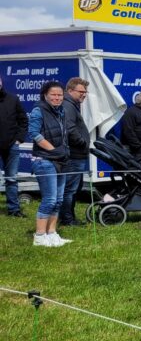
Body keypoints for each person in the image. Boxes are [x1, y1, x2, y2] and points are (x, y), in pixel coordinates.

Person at [29, 81, 72, 246]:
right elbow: (34, 133)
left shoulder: (61, 111)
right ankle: (40, 237)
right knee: (50, 199)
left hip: (60, 160)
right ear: (45, 95)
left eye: (60, 95)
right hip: (45, 160)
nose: (57, 98)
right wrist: (53, 150)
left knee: (59, 200)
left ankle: (52, 233)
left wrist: (62, 153)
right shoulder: (38, 110)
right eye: (53, 94)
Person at [59, 77, 90, 228]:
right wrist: (82, 142)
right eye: (81, 92)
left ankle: (69, 217)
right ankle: (67, 219)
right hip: (73, 155)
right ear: (70, 90)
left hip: (77, 154)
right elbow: (69, 129)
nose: (84, 94)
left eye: (86, 92)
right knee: (70, 189)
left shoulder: (72, 104)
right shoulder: (68, 105)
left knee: (74, 188)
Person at [0, 73, 28, 217]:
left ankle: (14, 210)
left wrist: (19, 139)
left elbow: (23, 121)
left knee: (12, 179)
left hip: (11, 146)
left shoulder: (12, 99)